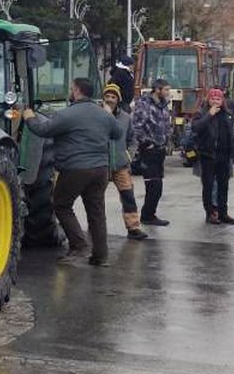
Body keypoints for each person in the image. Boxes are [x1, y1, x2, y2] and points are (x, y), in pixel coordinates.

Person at [14, 77, 127, 266]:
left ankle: (79, 246)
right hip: (100, 170)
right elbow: (117, 134)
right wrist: (108, 115)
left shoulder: (67, 114)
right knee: (96, 211)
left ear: (76, 91)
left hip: (76, 168)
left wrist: (29, 117)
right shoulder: (104, 114)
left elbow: (43, 130)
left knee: (61, 205)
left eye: (71, 89)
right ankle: (100, 256)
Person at [187, 87, 234, 224]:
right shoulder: (201, 113)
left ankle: (223, 213)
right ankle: (211, 212)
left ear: (222, 100)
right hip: (207, 156)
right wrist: (209, 115)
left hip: (224, 156)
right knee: (208, 186)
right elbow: (195, 127)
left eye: (218, 99)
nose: (215, 102)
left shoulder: (228, 115)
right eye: (213, 99)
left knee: (223, 186)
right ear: (208, 100)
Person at [102, 83, 150, 241]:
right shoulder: (97, 116)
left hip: (121, 165)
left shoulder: (125, 118)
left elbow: (132, 139)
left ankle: (133, 227)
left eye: (113, 97)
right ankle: (96, 227)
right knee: (95, 198)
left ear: (118, 99)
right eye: (107, 96)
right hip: (100, 164)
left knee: (128, 196)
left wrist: (129, 155)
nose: (110, 99)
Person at [129, 80, 173, 226]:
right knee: (154, 185)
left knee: (158, 185)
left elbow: (167, 125)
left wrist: (167, 140)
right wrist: (146, 143)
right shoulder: (144, 104)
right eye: (166, 89)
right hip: (149, 150)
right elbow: (137, 125)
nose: (168, 92)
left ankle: (150, 213)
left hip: (160, 149)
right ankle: (147, 215)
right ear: (157, 90)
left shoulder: (164, 105)